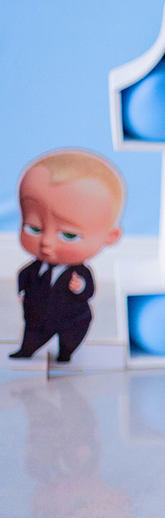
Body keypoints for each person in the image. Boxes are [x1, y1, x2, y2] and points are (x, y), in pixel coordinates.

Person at [10, 149, 125, 363]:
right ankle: (25, 350)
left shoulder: (80, 273)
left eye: (69, 235)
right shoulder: (33, 269)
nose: (46, 242)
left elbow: (88, 291)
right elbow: (23, 276)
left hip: (71, 318)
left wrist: (80, 287)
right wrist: (22, 291)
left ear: (110, 236)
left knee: (71, 337)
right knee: (32, 336)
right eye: (34, 228)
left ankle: (66, 353)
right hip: (37, 316)